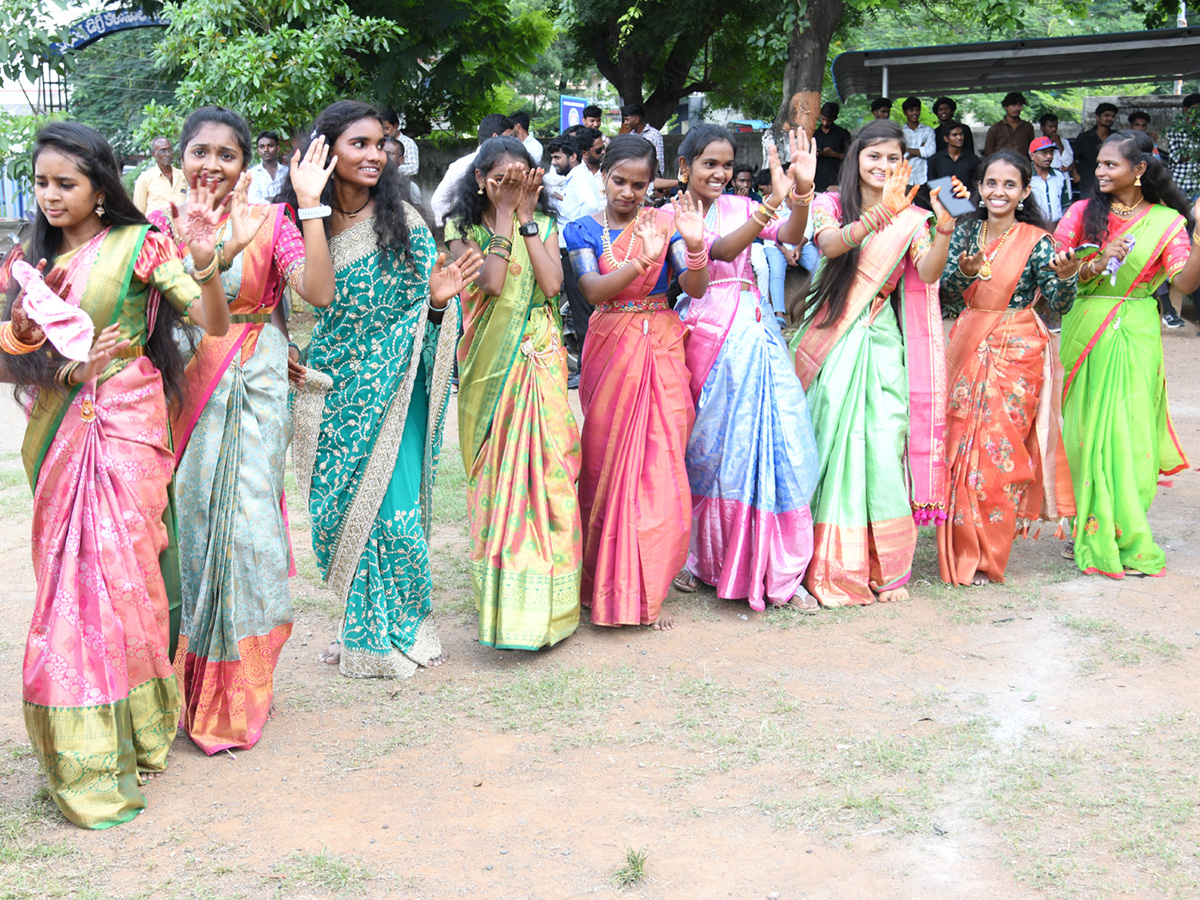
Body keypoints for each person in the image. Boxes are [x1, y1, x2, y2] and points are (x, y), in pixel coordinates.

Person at [2, 121, 231, 827]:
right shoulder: (28, 264)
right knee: (72, 588)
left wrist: (207, 262)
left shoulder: (141, 246)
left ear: (101, 189)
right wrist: (76, 369)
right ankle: (83, 746)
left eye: (64, 184)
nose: (49, 196)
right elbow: (14, 354)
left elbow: (213, 323)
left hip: (128, 428)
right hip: (61, 435)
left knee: (120, 577)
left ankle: (128, 733)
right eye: (41, 183)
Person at [146, 106, 335, 755]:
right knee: (196, 531)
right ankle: (195, 685)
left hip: (256, 383)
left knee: (250, 531)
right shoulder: (159, 224)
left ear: (245, 164)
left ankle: (244, 686)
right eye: (201, 152)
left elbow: (317, 290)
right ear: (181, 154)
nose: (212, 165)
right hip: (189, 381)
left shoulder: (269, 220)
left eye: (227, 155)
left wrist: (308, 207)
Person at [285, 101, 481, 677]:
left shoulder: (405, 220)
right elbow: (311, 299)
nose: (374, 155)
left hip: (397, 387)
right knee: (340, 513)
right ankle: (357, 629)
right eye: (359, 144)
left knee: (391, 510)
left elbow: (424, 305)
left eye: (379, 144)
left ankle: (401, 628)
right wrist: (311, 206)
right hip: (332, 387)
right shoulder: (298, 218)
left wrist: (439, 304)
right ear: (325, 152)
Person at [789, 120, 955, 607]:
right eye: (874, 156)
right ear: (856, 157)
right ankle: (816, 561)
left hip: (881, 337)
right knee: (828, 440)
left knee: (884, 442)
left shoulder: (913, 217)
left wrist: (942, 229)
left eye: (892, 158)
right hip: (831, 332)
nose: (883, 166)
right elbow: (829, 244)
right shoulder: (829, 203)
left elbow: (926, 271)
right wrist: (882, 212)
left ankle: (882, 567)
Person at [668, 124, 822, 611]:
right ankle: (703, 558)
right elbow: (718, 253)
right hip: (707, 334)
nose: (719, 172)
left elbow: (791, 236)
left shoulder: (743, 205)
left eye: (726, 164)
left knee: (783, 439)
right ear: (684, 168)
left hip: (758, 332)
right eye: (708, 163)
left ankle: (776, 563)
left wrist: (799, 193)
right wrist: (769, 207)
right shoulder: (670, 213)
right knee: (710, 454)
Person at [562, 135, 708, 629]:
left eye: (639, 185)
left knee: (660, 464)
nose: (628, 192)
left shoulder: (664, 224)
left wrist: (693, 247)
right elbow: (591, 288)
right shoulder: (583, 228)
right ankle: (599, 582)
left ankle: (647, 588)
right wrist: (641, 261)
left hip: (661, 342)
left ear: (652, 185)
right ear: (603, 177)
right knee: (604, 463)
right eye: (619, 181)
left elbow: (694, 288)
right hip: (609, 342)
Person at [443, 137, 581, 649]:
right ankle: (503, 600)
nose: (514, 186)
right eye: (502, 179)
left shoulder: (543, 224)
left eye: (523, 178)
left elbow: (550, 286)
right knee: (499, 477)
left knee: (551, 473)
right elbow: (494, 285)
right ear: (480, 180)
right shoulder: (460, 230)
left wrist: (524, 217)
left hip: (540, 359)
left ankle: (553, 603)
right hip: (488, 363)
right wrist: (502, 215)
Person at [1052, 130, 1200, 577]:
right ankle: (1086, 525)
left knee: (1131, 436)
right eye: (1098, 164)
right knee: (1084, 432)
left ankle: (1127, 534)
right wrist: (1088, 262)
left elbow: (1185, 283)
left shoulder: (1167, 223)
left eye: (1110, 165)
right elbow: (1057, 267)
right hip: (1087, 329)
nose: (1099, 171)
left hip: (1135, 330)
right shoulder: (1081, 213)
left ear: (1139, 171)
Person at [937, 150, 1080, 586]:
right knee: (959, 448)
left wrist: (1069, 276)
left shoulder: (1039, 240)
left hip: (1017, 351)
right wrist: (963, 274)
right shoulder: (963, 233)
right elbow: (943, 294)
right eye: (991, 183)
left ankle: (988, 557)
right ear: (979, 188)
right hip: (966, 341)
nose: (999, 191)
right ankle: (960, 548)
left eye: (1009, 184)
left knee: (1000, 454)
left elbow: (1058, 305)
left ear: (1025, 190)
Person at [551, 132, 605, 355]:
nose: (554, 163)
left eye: (557, 158)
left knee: (582, 314)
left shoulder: (579, 179)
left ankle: (585, 368)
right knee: (579, 311)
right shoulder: (573, 178)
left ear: (573, 156)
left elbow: (591, 207)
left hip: (575, 253)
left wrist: (576, 234)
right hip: (568, 252)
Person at [431, 114, 514, 225]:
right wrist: (453, 229)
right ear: (495, 137)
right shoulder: (461, 166)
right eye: (509, 137)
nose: (513, 141)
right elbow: (438, 200)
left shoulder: (512, 163)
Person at [132, 135, 187, 214]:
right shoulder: (145, 179)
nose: (167, 154)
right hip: (156, 226)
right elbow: (139, 212)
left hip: (180, 225)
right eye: (162, 151)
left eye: (169, 150)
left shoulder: (183, 176)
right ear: (153, 154)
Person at [1072, 102, 1117, 196]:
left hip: (1112, 185)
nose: (1110, 118)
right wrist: (1075, 174)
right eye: (1106, 115)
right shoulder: (1084, 138)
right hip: (1089, 186)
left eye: (1112, 116)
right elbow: (1071, 156)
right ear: (1097, 117)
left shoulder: (1117, 137)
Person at [928, 122, 981, 195]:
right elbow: (931, 184)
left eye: (961, 134)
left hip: (967, 200)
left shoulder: (972, 159)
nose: (959, 137)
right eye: (954, 135)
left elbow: (976, 184)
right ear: (946, 139)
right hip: (942, 201)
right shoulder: (935, 160)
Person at [1028, 135, 1070, 225]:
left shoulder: (1059, 176)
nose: (1049, 156)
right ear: (1032, 156)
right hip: (1034, 226)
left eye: (1051, 153)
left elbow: (1065, 204)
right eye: (1043, 153)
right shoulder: (1026, 177)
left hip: (1057, 225)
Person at [620, 102, 666, 178]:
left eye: (627, 119)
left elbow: (659, 163)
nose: (625, 123)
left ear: (637, 119)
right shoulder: (630, 136)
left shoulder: (655, 135)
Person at [814, 102, 852, 192]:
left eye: (829, 120)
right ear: (820, 115)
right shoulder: (814, 134)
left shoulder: (843, 134)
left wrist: (834, 154)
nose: (825, 123)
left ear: (835, 118)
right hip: (816, 179)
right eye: (823, 119)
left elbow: (850, 157)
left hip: (836, 179)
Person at [984, 92, 1035, 158]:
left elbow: (1032, 150)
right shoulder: (995, 129)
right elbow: (988, 152)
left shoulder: (1028, 127)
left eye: (1020, 105)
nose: (1017, 108)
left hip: (1022, 165)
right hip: (1000, 165)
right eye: (1013, 105)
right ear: (1005, 106)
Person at [900, 97, 935, 186]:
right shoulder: (900, 133)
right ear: (905, 112)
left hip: (923, 178)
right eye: (911, 110)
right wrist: (920, 150)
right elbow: (898, 154)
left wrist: (907, 150)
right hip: (904, 179)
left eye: (917, 110)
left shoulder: (928, 130)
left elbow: (930, 152)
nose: (915, 113)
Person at [247, 130, 287, 203]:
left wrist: (267, 199)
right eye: (262, 147)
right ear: (258, 151)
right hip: (261, 214)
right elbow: (253, 199)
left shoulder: (287, 172)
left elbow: (290, 197)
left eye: (270, 146)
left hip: (286, 213)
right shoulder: (252, 174)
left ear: (278, 149)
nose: (266, 150)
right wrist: (277, 200)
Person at [381, 108, 419, 178]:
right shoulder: (380, 142)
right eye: (381, 129)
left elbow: (413, 168)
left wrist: (389, 169)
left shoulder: (408, 143)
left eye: (387, 128)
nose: (384, 132)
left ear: (396, 126)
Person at [1039, 114, 1076, 179]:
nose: (1054, 129)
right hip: (1045, 177)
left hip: (1063, 177)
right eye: (1051, 126)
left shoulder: (1064, 142)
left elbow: (1067, 162)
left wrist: (1059, 144)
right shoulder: (1037, 143)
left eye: (1056, 126)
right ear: (1042, 128)